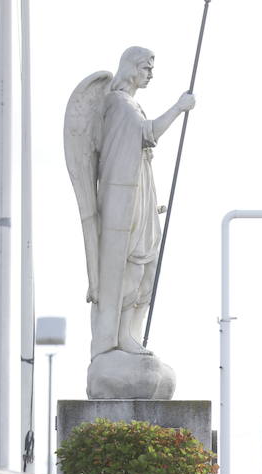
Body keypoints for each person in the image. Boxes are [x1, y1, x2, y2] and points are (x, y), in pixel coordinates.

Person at [65, 48, 195, 358]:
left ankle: (131, 334)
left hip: (140, 198)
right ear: (131, 68)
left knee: (147, 268)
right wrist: (179, 107)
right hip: (123, 203)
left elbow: (137, 157)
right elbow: (148, 134)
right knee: (132, 268)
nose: (151, 73)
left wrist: (151, 204)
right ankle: (120, 336)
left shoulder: (131, 105)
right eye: (146, 67)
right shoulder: (119, 104)